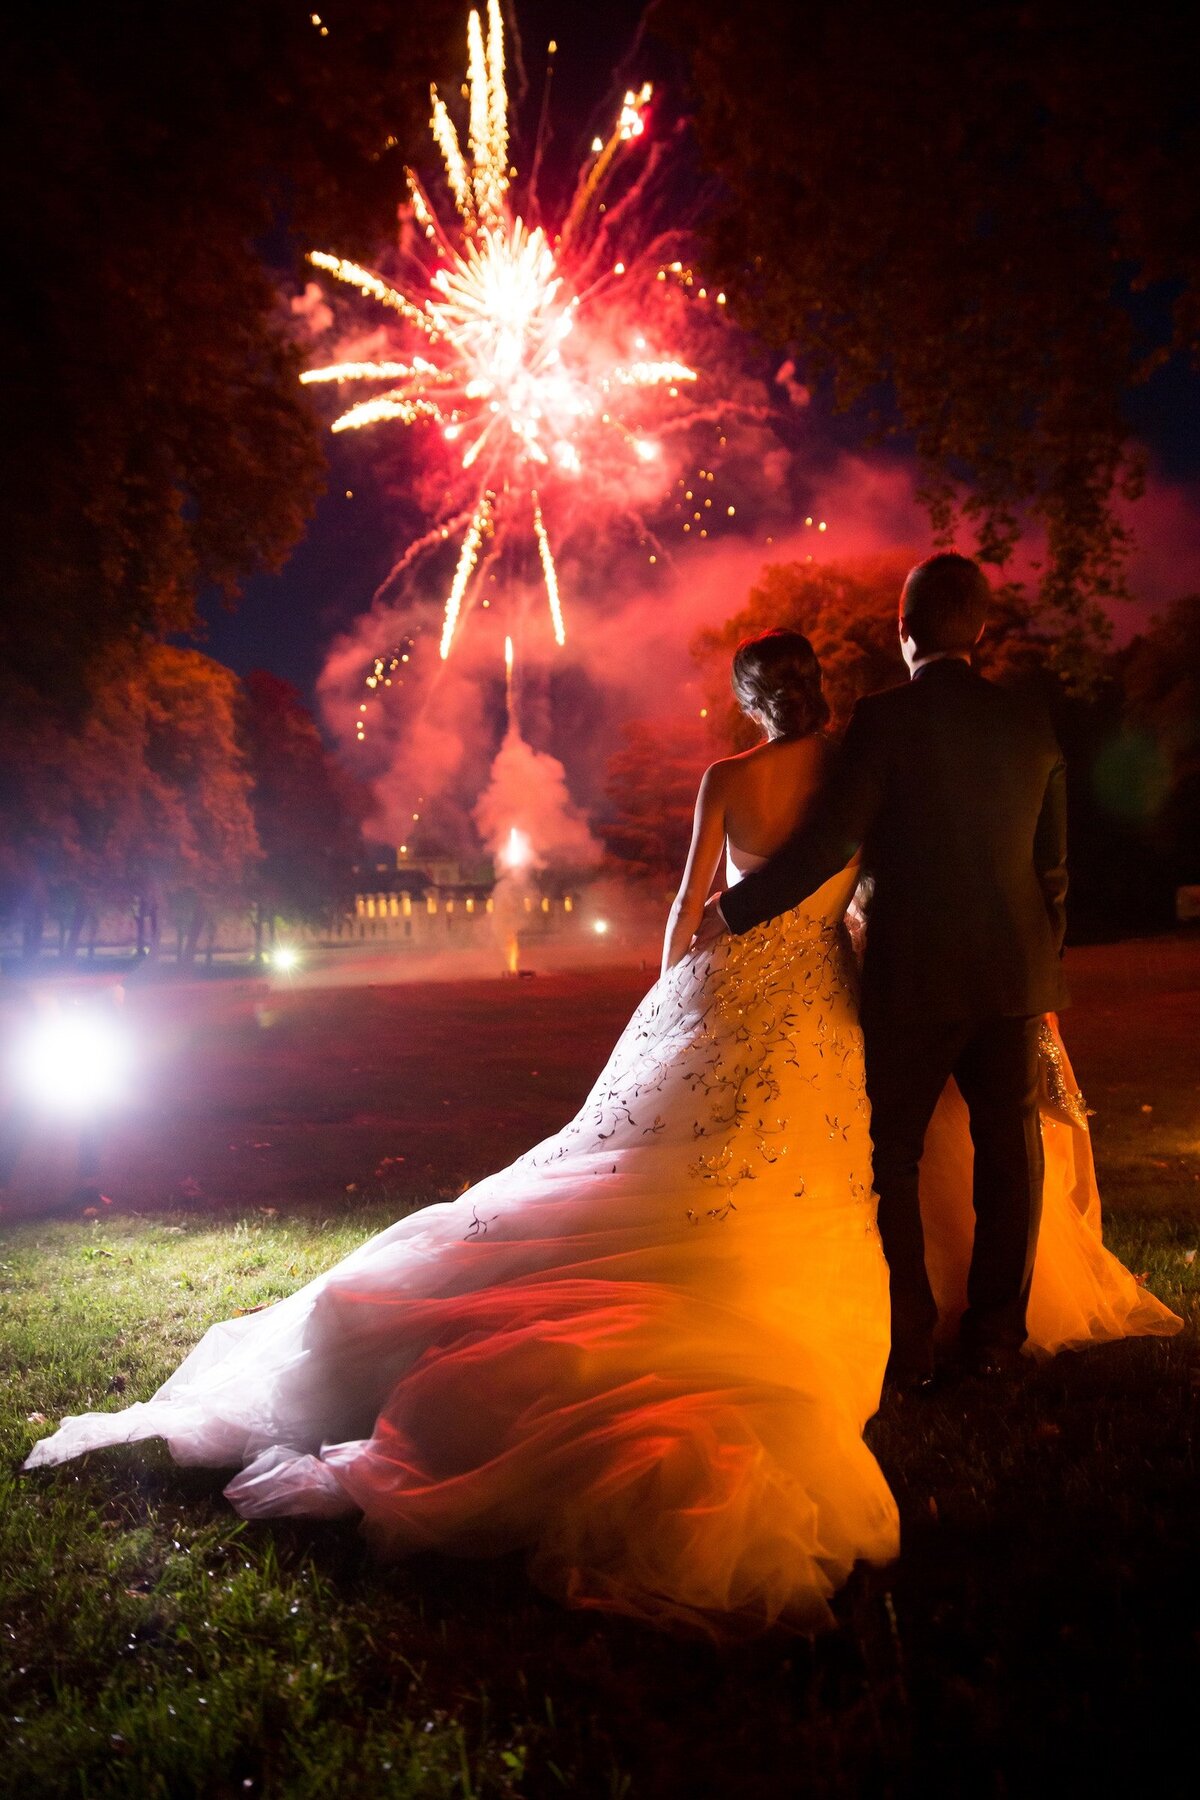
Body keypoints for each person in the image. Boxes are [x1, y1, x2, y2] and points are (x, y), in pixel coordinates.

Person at [24, 623, 1180, 1637]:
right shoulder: (863, 755)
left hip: (747, 978)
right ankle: (926, 1310)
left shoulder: (731, 773)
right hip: (833, 986)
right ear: (818, 691)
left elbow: (692, 899)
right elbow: (873, 872)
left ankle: (894, 1309)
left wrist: (685, 970)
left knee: (700, 1144)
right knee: (847, 1152)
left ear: (748, 701)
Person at [709, 556, 1071, 1387]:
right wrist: (1043, 970)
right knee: (1009, 1151)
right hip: (1014, 975)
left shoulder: (884, 718)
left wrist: (735, 910)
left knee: (892, 1153)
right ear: (978, 630)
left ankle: (909, 1345)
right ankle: (993, 1339)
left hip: (914, 977)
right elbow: (1052, 872)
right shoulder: (1030, 721)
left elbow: (833, 843)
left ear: (901, 629)